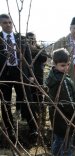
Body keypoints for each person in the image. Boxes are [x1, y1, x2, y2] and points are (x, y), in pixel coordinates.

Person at [0, 14, 37, 143]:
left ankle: (33, 127)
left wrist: (31, 74)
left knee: (27, 99)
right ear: (1, 24)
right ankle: (9, 129)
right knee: (6, 103)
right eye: (5, 23)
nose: (8, 25)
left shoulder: (20, 39)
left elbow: (28, 58)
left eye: (10, 22)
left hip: (20, 72)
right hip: (4, 75)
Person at [45, 48, 75, 156]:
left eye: (68, 64)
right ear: (54, 64)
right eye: (63, 65)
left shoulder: (53, 76)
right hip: (65, 119)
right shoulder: (61, 81)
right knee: (65, 144)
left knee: (58, 140)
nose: (66, 68)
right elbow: (69, 103)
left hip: (56, 118)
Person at [26, 32, 48, 126]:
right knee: (28, 94)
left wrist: (35, 50)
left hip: (38, 75)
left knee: (39, 94)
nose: (32, 40)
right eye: (30, 39)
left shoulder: (39, 48)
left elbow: (44, 58)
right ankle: (30, 114)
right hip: (27, 75)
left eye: (33, 38)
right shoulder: (23, 48)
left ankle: (41, 113)